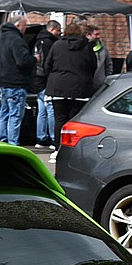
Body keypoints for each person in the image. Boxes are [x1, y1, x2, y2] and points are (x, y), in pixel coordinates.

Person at [44, 22, 97, 164]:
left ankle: (58, 149)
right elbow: (93, 66)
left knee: (59, 120)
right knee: (75, 121)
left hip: (58, 87)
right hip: (80, 88)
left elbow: (47, 65)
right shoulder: (86, 46)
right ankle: (73, 151)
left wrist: (54, 78)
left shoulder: (57, 45)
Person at [0, 11, 36, 145]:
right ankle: (13, 143)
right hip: (16, 82)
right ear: (18, 25)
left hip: (4, 81)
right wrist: (34, 59)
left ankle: (2, 140)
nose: (25, 29)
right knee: (15, 114)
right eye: (25, 26)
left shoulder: (2, 37)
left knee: (4, 113)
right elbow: (23, 61)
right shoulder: (17, 40)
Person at [31, 20, 61, 149]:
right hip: (46, 80)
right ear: (52, 29)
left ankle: (41, 138)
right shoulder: (49, 43)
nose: (60, 33)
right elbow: (48, 63)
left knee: (41, 111)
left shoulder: (38, 41)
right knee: (50, 109)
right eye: (58, 30)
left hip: (37, 79)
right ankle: (53, 138)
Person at [85, 24, 113, 90]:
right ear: (88, 35)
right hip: (86, 85)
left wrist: (105, 79)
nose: (98, 37)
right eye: (96, 34)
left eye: (99, 34)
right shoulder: (83, 49)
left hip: (100, 85)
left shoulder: (103, 49)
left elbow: (108, 65)